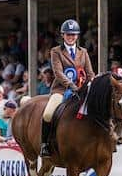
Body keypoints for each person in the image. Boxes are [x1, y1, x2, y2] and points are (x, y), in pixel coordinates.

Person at [40, 19, 95, 158]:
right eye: (68, 34)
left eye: (74, 34)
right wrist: (72, 86)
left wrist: (91, 83)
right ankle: (45, 144)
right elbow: (58, 73)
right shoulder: (56, 51)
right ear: (63, 35)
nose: (71, 37)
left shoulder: (83, 52)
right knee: (47, 114)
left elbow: (89, 72)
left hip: (82, 89)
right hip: (61, 90)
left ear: (77, 36)